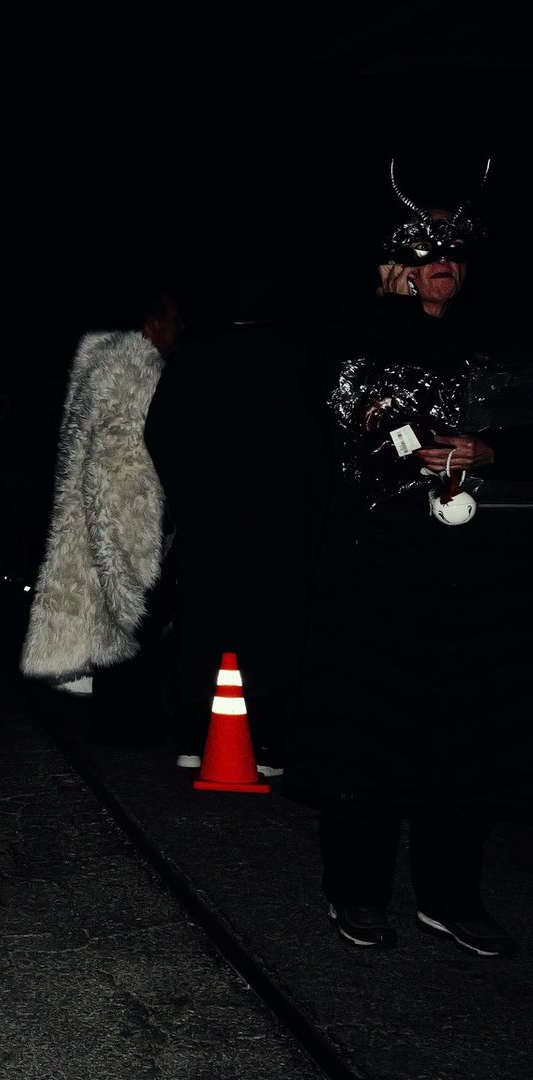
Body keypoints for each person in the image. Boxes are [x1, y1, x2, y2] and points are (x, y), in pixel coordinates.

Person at [296, 160, 529, 957]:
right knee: (372, 734)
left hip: (476, 581)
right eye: (425, 252)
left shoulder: (503, 342)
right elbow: (335, 426)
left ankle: (451, 894)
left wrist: (490, 449)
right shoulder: (355, 336)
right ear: (395, 264)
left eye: (455, 252)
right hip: (378, 574)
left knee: (467, 737)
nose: (443, 264)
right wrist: (383, 317)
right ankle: (357, 892)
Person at [145, 268, 329, 773]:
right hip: (279, 521)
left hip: (210, 516)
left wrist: (185, 495)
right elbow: (322, 446)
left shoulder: (195, 358)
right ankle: (266, 742)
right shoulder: (301, 361)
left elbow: (160, 433)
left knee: (203, 620)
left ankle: (192, 736)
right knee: (272, 626)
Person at [19, 288, 177, 744]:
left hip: (94, 517)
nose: (178, 330)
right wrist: (135, 535)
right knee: (128, 607)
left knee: (109, 607)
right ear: (150, 326)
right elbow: (120, 467)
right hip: (126, 517)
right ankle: (128, 722)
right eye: (172, 320)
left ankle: (119, 714)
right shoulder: (132, 369)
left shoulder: (99, 367)